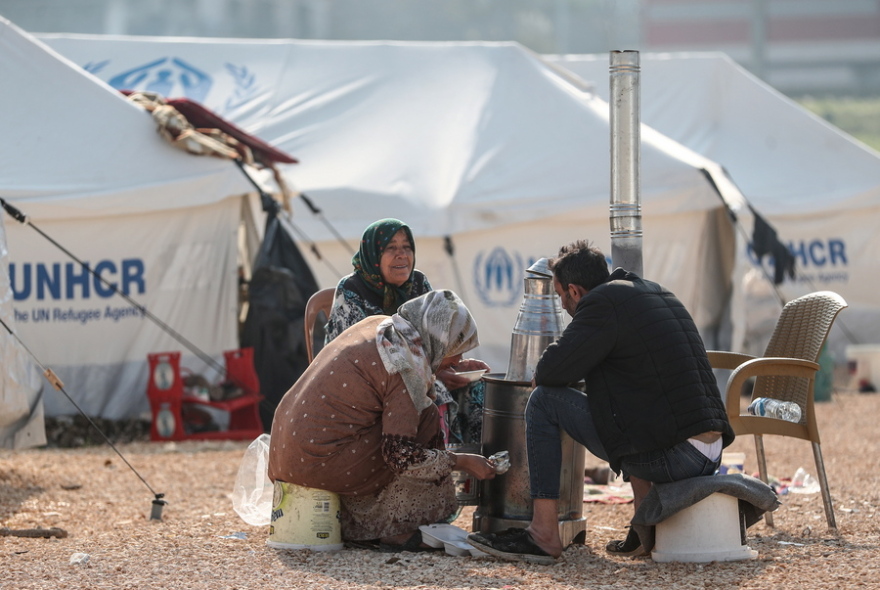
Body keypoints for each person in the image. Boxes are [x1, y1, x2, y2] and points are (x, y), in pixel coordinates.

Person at [467, 240, 735, 564]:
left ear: (575, 292)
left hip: (677, 457)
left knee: (542, 402)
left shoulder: (601, 304)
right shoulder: (651, 292)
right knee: (624, 404)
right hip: (710, 450)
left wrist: (553, 366)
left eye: (561, 298)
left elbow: (550, 372)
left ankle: (543, 533)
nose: (564, 308)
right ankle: (644, 527)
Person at [268, 289, 496, 550]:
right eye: (456, 350)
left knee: (414, 414)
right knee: (426, 416)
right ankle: (394, 527)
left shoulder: (383, 326)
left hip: (285, 455)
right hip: (314, 464)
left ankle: (367, 517)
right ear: (439, 341)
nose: (459, 359)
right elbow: (399, 455)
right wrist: (461, 461)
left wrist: (441, 370)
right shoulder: (406, 367)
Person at [325, 218, 488, 446]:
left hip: (421, 374)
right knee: (434, 392)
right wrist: (434, 375)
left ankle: (475, 469)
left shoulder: (418, 283)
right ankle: (440, 463)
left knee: (480, 388)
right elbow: (365, 358)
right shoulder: (352, 290)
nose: (401, 255)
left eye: (407, 247)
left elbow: (439, 341)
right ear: (374, 254)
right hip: (368, 381)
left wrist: (455, 364)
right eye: (391, 248)